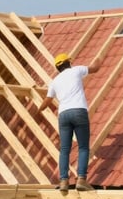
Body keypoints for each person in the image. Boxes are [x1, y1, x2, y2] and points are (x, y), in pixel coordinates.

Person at [37, 53, 100, 191]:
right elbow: (95, 68)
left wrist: (39, 109)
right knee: (83, 147)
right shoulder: (76, 70)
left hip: (64, 115)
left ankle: (64, 181)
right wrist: (99, 59)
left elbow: (47, 100)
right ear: (69, 63)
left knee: (65, 149)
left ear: (57, 68)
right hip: (79, 111)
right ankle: (81, 179)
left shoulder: (54, 81)